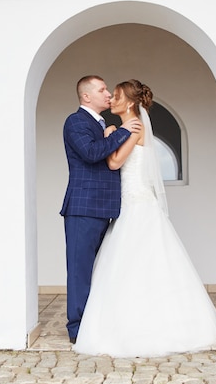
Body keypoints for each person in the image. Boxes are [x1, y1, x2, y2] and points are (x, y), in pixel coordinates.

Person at [73, 79, 216, 357]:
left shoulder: (135, 128)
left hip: (138, 203)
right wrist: (112, 132)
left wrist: (111, 135)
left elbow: (114, 162)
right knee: (129, 262)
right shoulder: (125, 128)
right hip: (129, 201)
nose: (112, 99)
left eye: (116, 95)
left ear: (130, 103)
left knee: (140, 260)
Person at [60, 75, 142, 344]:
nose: (108, 94)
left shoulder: (103, 124)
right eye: (102, 89)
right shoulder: (75, 122)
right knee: (80, 270)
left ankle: (96, 322)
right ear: (86, 97)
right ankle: (78, 330)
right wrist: (123, 131)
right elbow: (92, 153)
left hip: (104, 208)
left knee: (100, 270)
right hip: (83, 208)